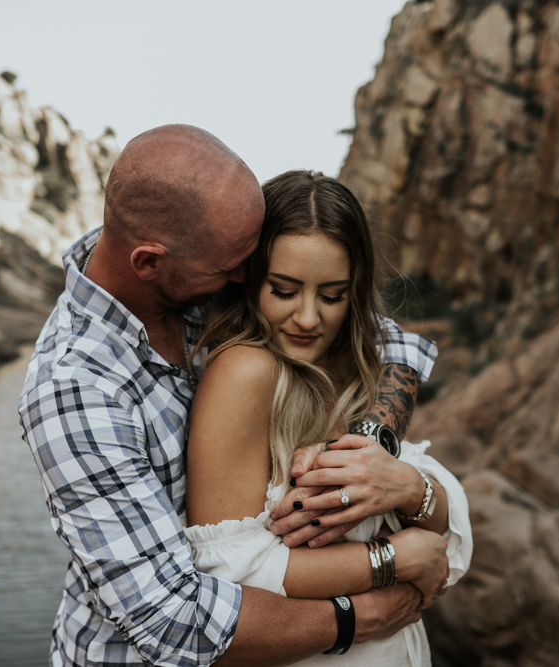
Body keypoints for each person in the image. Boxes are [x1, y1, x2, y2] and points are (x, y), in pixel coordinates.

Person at [18, 125, 444, 667]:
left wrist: (368, 449)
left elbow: (389, 342)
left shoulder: (200, 277)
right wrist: (368, 606)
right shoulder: (75, 391)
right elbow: (174, 622)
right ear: (149, 264)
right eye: (237, 268)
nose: (248, 277)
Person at [184, 170, 472, 665]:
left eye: (333, 295)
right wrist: (394, 558)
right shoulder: (246, 372)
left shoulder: (358, 367)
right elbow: (230, 574)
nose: (309, 318)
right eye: (284, 289)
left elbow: (449, 540)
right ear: (250, 279)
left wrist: (408, 488)